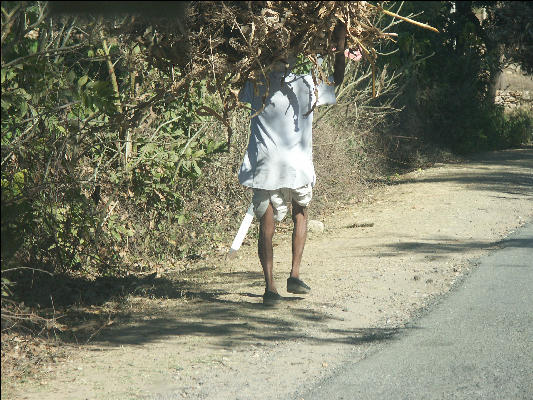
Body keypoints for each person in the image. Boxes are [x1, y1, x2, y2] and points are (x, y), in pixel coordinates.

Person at [238, 22, 348, 305]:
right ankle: (294, 275)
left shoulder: (257, 80)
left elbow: (238, 87)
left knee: (267, 221)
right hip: (297, 162)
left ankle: (270, 287)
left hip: (266, 163)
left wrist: (246, 57)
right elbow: (337, 80)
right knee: (301, 212)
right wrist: (341, 47)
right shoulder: (307, 80)